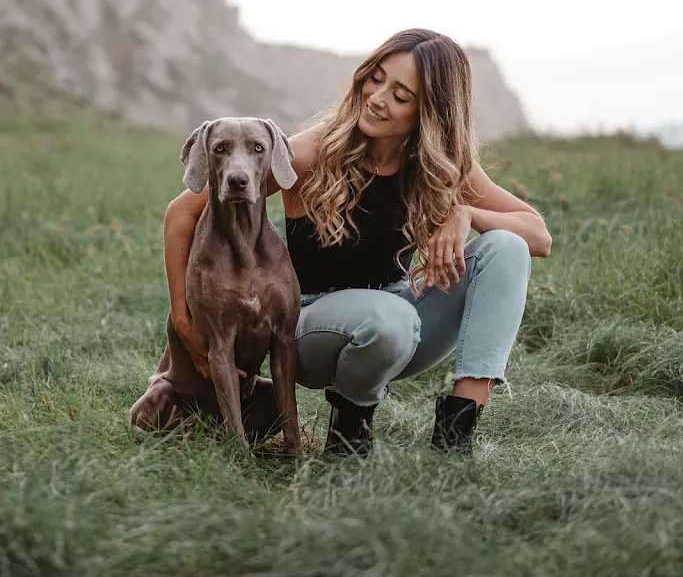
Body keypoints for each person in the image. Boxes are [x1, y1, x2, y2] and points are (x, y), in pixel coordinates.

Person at [163, 29, 551, 456]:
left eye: (401, 95)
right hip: (308, 330)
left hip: (401, 320)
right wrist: (183, 320)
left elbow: (537, 234)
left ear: (430, 111)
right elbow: (183, 212)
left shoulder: (442, 164)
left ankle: (455, 436)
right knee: (390, 318)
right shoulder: (315, 149)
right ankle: (349, 427)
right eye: (376, 77)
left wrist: (466, 214)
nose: (378, 97)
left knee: (505, 246)